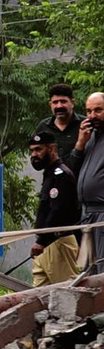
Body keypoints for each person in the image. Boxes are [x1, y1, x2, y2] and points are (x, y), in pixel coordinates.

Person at [27, 129, 81, 286]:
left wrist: (42, 241)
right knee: (38, 295)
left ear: (51, 149)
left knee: (67, 293)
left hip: (59, 242)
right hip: (45, 246)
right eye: (32, 150)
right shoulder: (50, 174)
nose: (34, 155)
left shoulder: (61, 175)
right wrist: (41, 242)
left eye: (38, 149)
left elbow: (58, 211)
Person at [67, 92, 104, 274]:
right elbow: (71, 172)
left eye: (98, 110)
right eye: (89, 111)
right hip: (86, 214)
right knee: (88, 271)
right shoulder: (90, 137)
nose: (92, 116)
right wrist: (80, 143)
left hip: (102, 214)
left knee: (102, 270)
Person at [33, 82, 83, 161]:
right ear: (50, 104)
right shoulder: (43, 127)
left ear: (72, 103)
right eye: (55, 102)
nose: (59, 106)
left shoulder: (84, 125)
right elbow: (35, 158)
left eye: (63, 101)